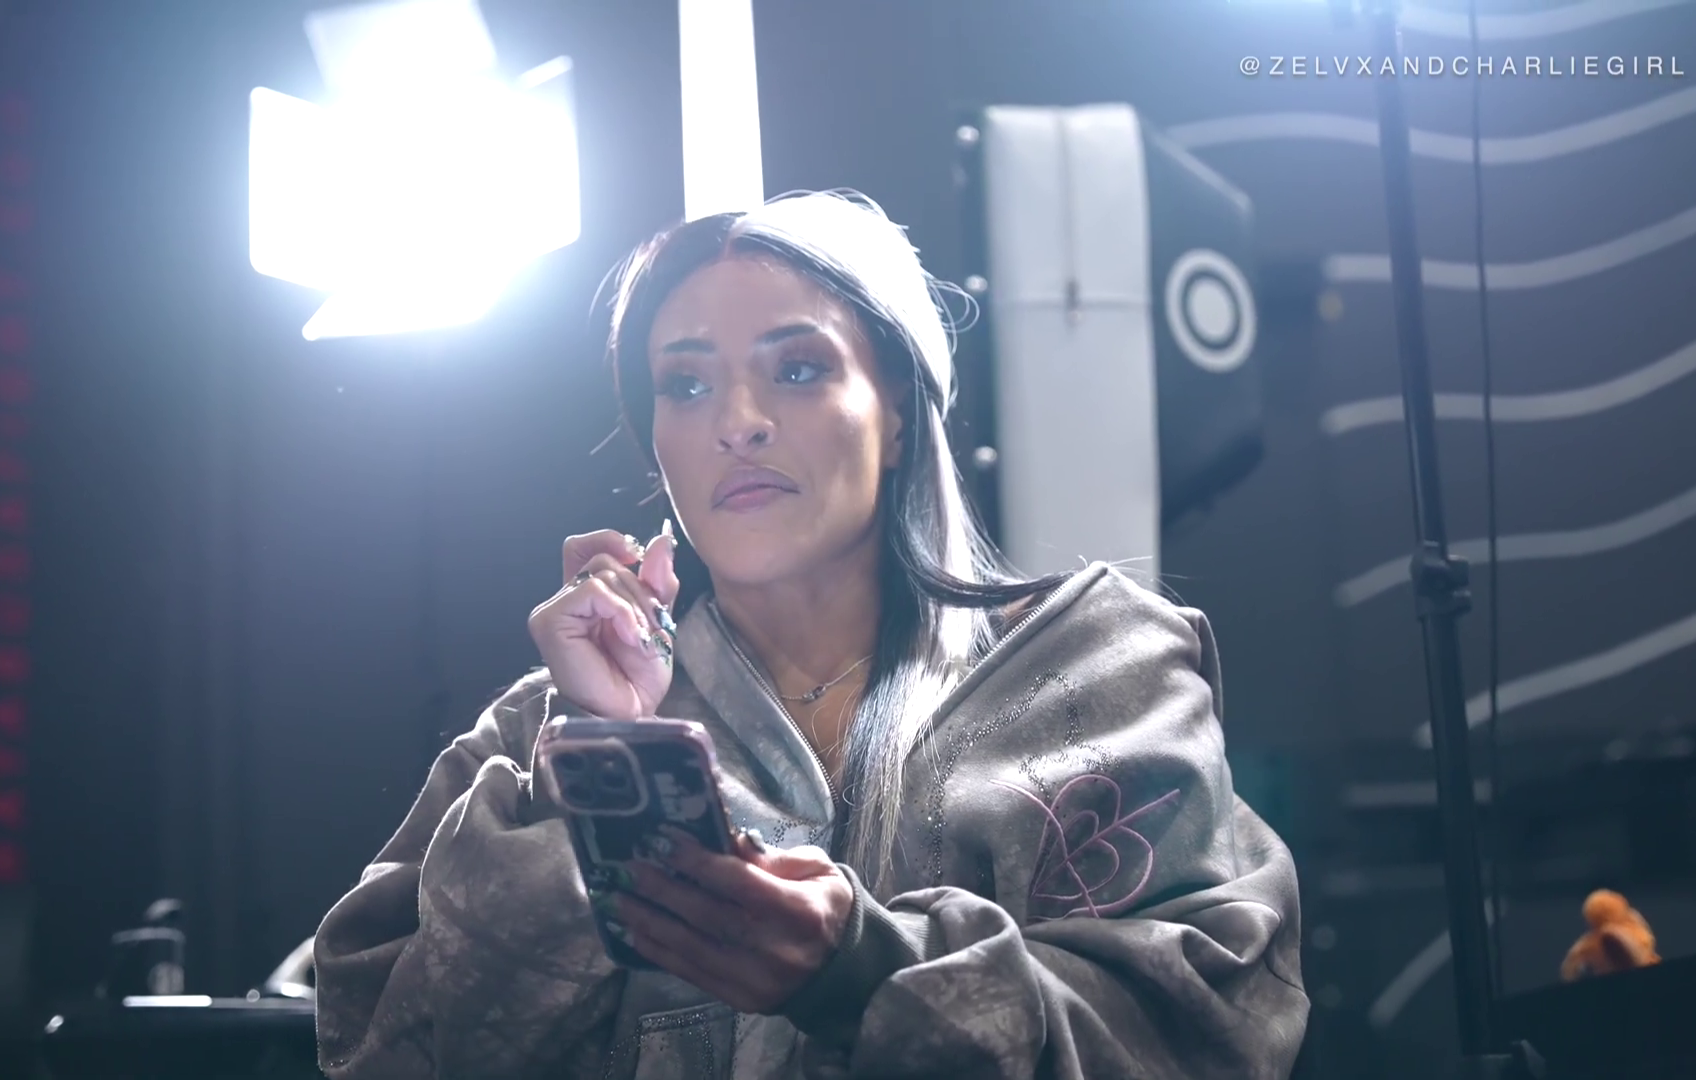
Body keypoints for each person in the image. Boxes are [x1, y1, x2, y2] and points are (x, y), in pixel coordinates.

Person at [312, 191, 1308, 1079]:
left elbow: (1206, 1034)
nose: (737, 422)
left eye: (797, 369)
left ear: (899, 413)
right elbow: (380, 1047)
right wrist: (586, 757)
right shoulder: (538, 730)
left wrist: (863, 970)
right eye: (686, 386)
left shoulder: (1095, 671)